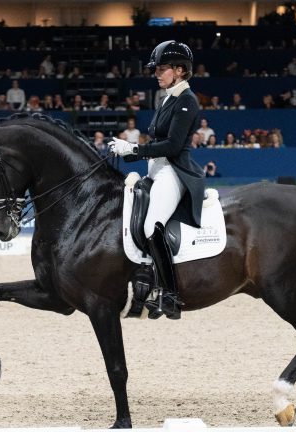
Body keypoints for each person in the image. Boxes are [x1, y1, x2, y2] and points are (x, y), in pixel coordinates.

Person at [107, 40, 205, 320]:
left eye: (162, 69)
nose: (157, 74)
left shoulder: (187, 100)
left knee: (152, 226)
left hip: (174, 171)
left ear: (180, 70)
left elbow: (172, 146)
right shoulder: (168, 99)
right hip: (156, 169)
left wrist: (134, 149)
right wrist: (126, 152)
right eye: (157, 69)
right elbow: (156, 141)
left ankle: (170, 295)